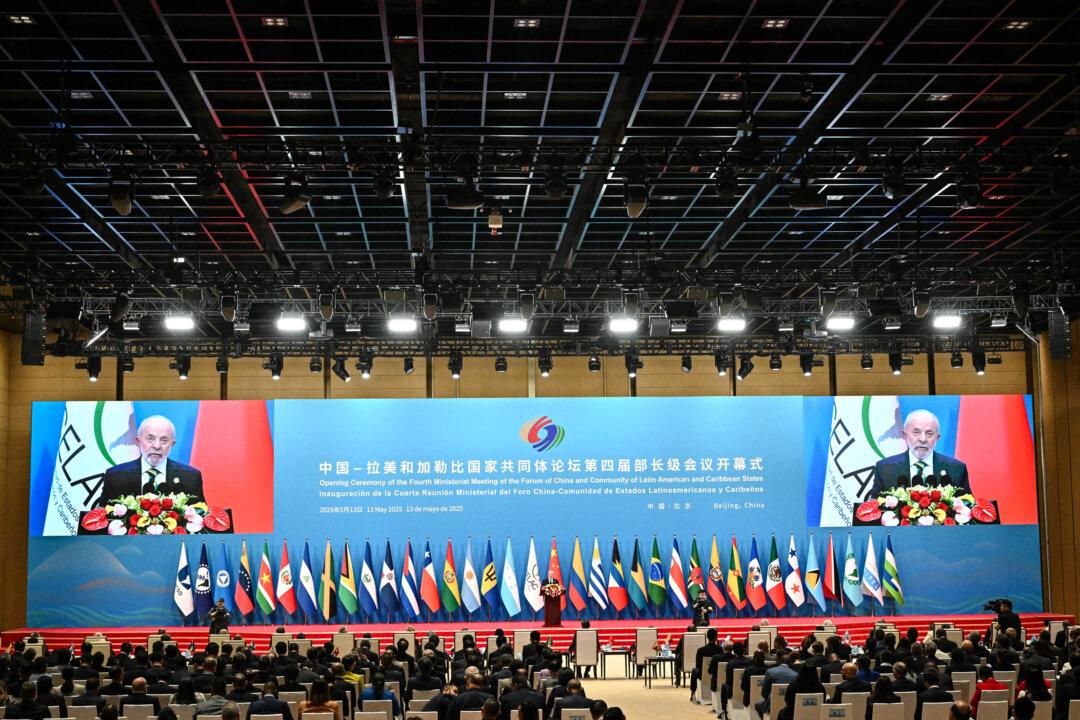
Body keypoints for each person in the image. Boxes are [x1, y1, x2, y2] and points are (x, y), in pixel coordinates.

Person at [98, 415, 205, 505]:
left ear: (172, 444)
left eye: (164, 440)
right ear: (138, 441)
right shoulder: (116, 476)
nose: (157, 446)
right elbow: (101, 516)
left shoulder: (190, 477)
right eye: (150, 438)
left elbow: (200, 517)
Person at [871, 410, 970, 495]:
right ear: (905, 435)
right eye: (916, 432)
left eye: (929, 433)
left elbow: (967, 508)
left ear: (937, 438)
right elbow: (874, 509)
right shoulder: (885, 469)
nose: (923, 439)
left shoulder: (956, 469)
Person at [757, 650, 798, 719]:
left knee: (757, 705)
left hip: (771, 704)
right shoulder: (796, 675)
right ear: (791, 662)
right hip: (789, 709)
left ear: (779, 661)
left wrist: (772, 700)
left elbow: (764, 693)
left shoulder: (770, 671)